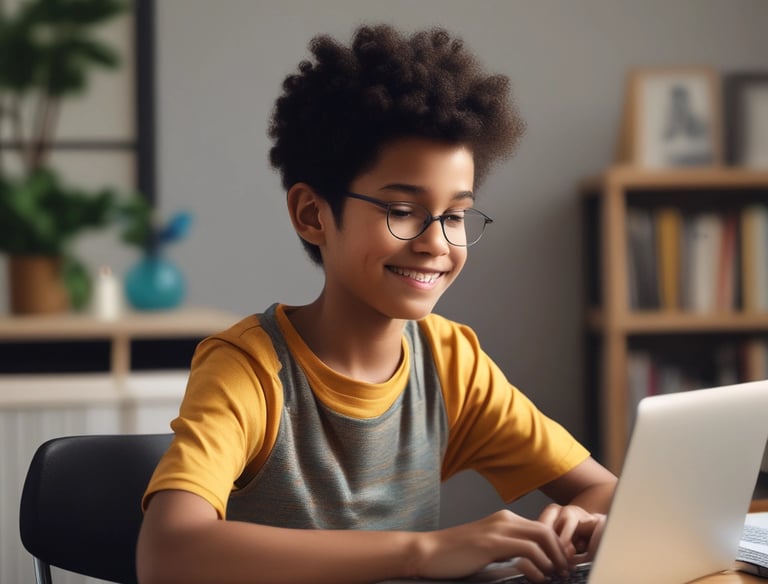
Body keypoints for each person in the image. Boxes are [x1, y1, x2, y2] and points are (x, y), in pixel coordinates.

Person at [136, 24, 617, 584]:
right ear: (313, 215)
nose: (437, 242)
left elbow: (600, 486)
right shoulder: (248, 370)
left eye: (456, 215)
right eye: (403, 210)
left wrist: (579, 518)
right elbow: (168, 553)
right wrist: (423, 553)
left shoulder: (449, 361)